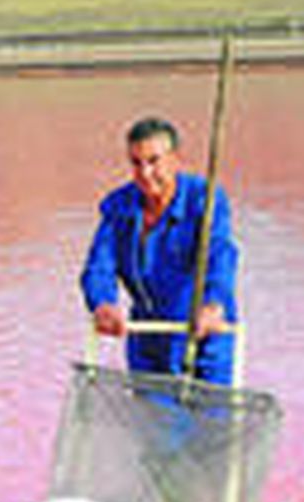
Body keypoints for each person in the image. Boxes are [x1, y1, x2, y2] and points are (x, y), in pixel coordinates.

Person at [80, 116, 238, 385]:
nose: (145, 173)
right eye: (136, 163)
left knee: (212, 421)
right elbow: (99, 266)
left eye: (154, 161)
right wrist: (103, 304)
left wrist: (214, 304)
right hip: (147, 338)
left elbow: (221, 255)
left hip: (202, 335)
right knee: (152, 421)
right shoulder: (119, 206)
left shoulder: (204, 199)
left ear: (175, 160)